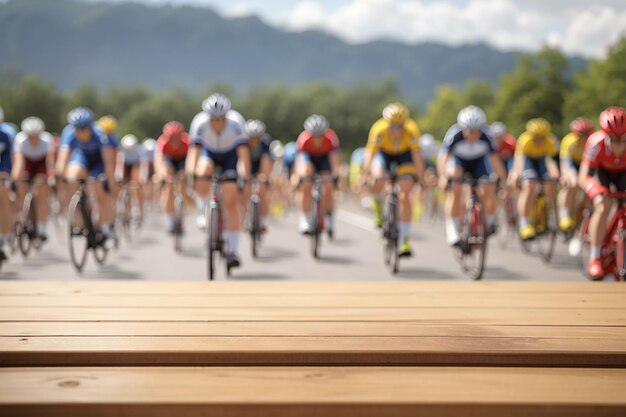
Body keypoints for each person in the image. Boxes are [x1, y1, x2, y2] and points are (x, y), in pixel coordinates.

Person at [186, 93, 250, 269]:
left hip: (230, 155)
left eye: (221, 119)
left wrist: (244, 176)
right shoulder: (199, 123)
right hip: (209, 153)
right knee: (202, 172)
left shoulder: (237, 123)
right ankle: (204, 208)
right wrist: (191, 174)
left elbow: (243, 155)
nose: (217, 123)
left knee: (231, 200)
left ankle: (232, 251)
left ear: (226, 116)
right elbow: (193, 153)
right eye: (213, 119)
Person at [362, 103, 425, 257]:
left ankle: (405, 241)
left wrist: (421, 178)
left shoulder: (411, 131)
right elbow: (370, 154)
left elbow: (417, 156)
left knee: (404, 196)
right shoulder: (378, 129)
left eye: (400, 127)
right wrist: (364, 176)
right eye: (393, 126)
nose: (396, 130)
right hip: (383, 155)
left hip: (404, 155)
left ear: (405, 124)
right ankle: (377, 208)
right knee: (378, 176)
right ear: (387, 124)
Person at [438, 106, 506, 246]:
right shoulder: (454, 135)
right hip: (459, 162)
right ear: (462, 128)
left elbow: (495, 160)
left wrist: (502, 179)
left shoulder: (487, 136)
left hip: (478, 163)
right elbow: (444, 159)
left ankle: (486, 222)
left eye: (475, 131)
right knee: (455, 187)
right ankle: (452, 230)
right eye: (468, 131)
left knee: (487, 188)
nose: (472, 134)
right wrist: (443, 177)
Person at [56, 107, 117, 248]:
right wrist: (61, 177)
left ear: (90, 127)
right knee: (72, 176)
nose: (81, 132)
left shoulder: (100, 134)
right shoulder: (69, 133)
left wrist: (109, 182)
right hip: (81, 158)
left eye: (84, 129)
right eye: (77, 129)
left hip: (99, 162)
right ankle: (80, 218)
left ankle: (106, 229)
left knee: (101, 190)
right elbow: (63, 159)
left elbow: (108, 162)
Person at [579, 107, 626, 278]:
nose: (619, 145)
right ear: (605, 136)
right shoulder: (595, 143)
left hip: (623, 173)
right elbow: (584, 176)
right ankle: (595, 257)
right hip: (600, 173)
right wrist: (597, 192)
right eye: (613, 140)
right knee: (603, 204)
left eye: (623, 140)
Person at [508, 118, 559, 241]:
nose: (539, 140)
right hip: (528, 160)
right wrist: (516, 174)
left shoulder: (550, 141)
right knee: (529, 184)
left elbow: (551, 160)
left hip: (541, 160)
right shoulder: (525, 140)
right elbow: (519, 160)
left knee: (550, 183)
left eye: (542, 138)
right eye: (536, 137)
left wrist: (556, 174)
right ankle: (524, 223)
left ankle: (545, 214)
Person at [294, 114, 341, 237]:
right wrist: (299, 176)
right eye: (314, 136)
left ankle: (330, 219)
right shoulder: (303, 139)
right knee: (306, 181)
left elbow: (335, 160)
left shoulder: (331, 138)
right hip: (308, 158)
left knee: (328, 187)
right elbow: (299, 161)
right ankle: (305, 219)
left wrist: (335, 176)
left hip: (325, 159)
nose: (317, 139)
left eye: (320, 136)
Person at [11, 117, 55, 242]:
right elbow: (19, 161)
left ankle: (41, 228)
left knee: (41, 191)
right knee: (22, 184)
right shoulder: (20, 140)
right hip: (27, 162)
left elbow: (49, 161)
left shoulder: (47, 140)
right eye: (31, 136)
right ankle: (22, 216)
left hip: (41, 163)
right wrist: (16, 177)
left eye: (36, 135)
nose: (33, 138)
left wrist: (51, 175)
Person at [557, 117, 594, 232]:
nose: (583, 139)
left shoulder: (593, 141)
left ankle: (586, 216)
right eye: (580, 136)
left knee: (591, 189)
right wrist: (565, 176)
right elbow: (565, 163)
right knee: (572, 183)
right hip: (572, 163)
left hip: (586, 163)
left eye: (586, 136)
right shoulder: (569, 141)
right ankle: (564, 215)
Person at [155, 122, 189, 234]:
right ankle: (170, 221)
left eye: (177, 139)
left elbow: (191, 160)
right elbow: (159, 161)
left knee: (183, 182)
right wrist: (162, 175)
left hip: (182, 160)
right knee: (168, 187)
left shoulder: (187, 142)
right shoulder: (162, 143)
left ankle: (182, 218)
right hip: (169, 160)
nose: (174, 141)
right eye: (172, 139)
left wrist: (187, 173)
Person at [243, 119, 273, 233]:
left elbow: (267, 161)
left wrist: (265, 177)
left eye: (257, 138)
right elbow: (241, 160)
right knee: (245, 187)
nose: (255, 141)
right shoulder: (243, 143)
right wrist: (244, 176)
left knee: (262, 190)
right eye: (252, 138)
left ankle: (262, 221)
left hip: (260, 166)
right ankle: (246, 214)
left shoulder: (265, 143)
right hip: (248, 165)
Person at [117, 134, 144, 219]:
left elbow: (141, 167)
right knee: (121, 183)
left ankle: (138, 207)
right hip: (126, 165)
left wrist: (140, 178)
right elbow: (120, 165)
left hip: (135, 165)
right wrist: (119, 177)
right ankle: (123, 206)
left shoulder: (139, 152)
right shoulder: (121, 152)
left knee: (136, 184)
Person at [0, 125, 12, 264]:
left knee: (3, 196)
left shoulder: (6, 136)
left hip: (3, 170)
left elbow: (12, 159)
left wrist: (8, 174)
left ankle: (3, 239)